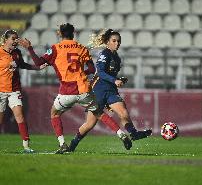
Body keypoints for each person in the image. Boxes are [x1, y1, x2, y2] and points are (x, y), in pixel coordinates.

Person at [19, 23, 132, 153]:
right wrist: (80, 73)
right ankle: (120, 133)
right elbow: (91, 69)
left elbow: (38, 63)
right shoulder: (81, 48)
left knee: (54, 113)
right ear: (74, 33)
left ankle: (62, 144)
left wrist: (29, 48)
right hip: (83, 89)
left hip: (66, 91)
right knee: (99, 114)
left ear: (60, 34)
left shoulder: (56, 48)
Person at [89, 29, 152, 141]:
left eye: (118, 41)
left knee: (123, 112)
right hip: (98, 90)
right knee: (89, 124)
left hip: (111, 91)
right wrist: (114, 80)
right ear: (107, 42)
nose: (117, 43)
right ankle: (73, 143)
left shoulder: (117, 57)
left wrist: (119, 79)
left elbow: (110, 75)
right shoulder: (104, 54)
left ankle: (134, 133)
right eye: (114, 41)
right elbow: (100, 72)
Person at [0, 29, 47, 153]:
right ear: (6, 40)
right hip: (1, 90)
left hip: (14, 90)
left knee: (20, 116)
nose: (15, 41)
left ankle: (26, 146)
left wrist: (37, 68)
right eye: (13, 39)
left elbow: (23, 65)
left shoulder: (17, 53)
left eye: (16, 39)